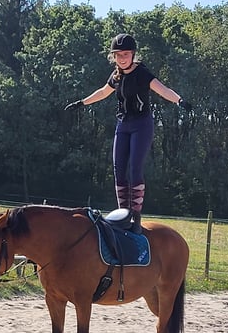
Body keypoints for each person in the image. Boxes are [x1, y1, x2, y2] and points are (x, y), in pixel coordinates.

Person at [65, 33, 192, 234]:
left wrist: (179, 100)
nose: (122, 58)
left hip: (142, 124)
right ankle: (123, 214)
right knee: (118, 170)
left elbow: (162, 89)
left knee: (134, 170)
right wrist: (81, 103)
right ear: (113, 57)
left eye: (126, 54)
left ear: (133, 54)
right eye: (118, 54)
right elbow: (102, 92)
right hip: (123, 124)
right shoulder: (116, 75)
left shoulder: (142, 73)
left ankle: (136, 217)